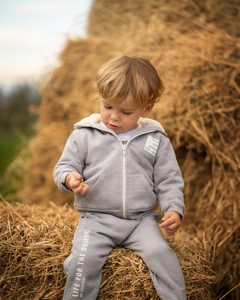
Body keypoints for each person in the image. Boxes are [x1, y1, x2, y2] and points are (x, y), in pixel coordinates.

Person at [53, 55, 186, 300]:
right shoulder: (84, 135)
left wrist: (173, 209)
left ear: (146, 109)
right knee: (82, 263)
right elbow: (64, 166)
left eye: (125, 111)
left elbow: (169, 180)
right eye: (107, 106)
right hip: (97, 220)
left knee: (162, 255)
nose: (114, 117)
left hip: (141, 221)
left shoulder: (156, 140)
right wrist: (69, 178)